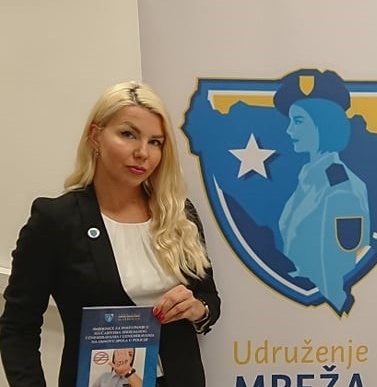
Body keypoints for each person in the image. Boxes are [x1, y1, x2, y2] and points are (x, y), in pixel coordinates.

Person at [0, 82, 221, 387]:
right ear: (95, 136)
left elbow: (209, 299)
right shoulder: (56, 220)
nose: (142, 153)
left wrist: (198, 309)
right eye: (128, 134)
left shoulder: (178, 212)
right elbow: (17, 329)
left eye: (155, 142)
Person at [275, 70, 370, 313]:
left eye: (298, 121)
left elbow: (338, 270)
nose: (289, 131)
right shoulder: (309, 180)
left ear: (324, 125)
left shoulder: (341, 188)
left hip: (329, 317)